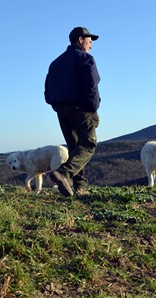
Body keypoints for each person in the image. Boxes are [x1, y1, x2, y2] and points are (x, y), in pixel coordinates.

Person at [44, 26, 101, 197]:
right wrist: (93, 107)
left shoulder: (55, 63)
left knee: (75, 147)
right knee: (88, 144)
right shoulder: (85, 58)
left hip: (62, 110)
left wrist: (56, 105)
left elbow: (47, 90)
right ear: (80, 39)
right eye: (89, 41)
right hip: (81, 108)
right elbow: (92, 84)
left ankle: (80, 187)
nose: (91, 46)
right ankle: (64, 173)